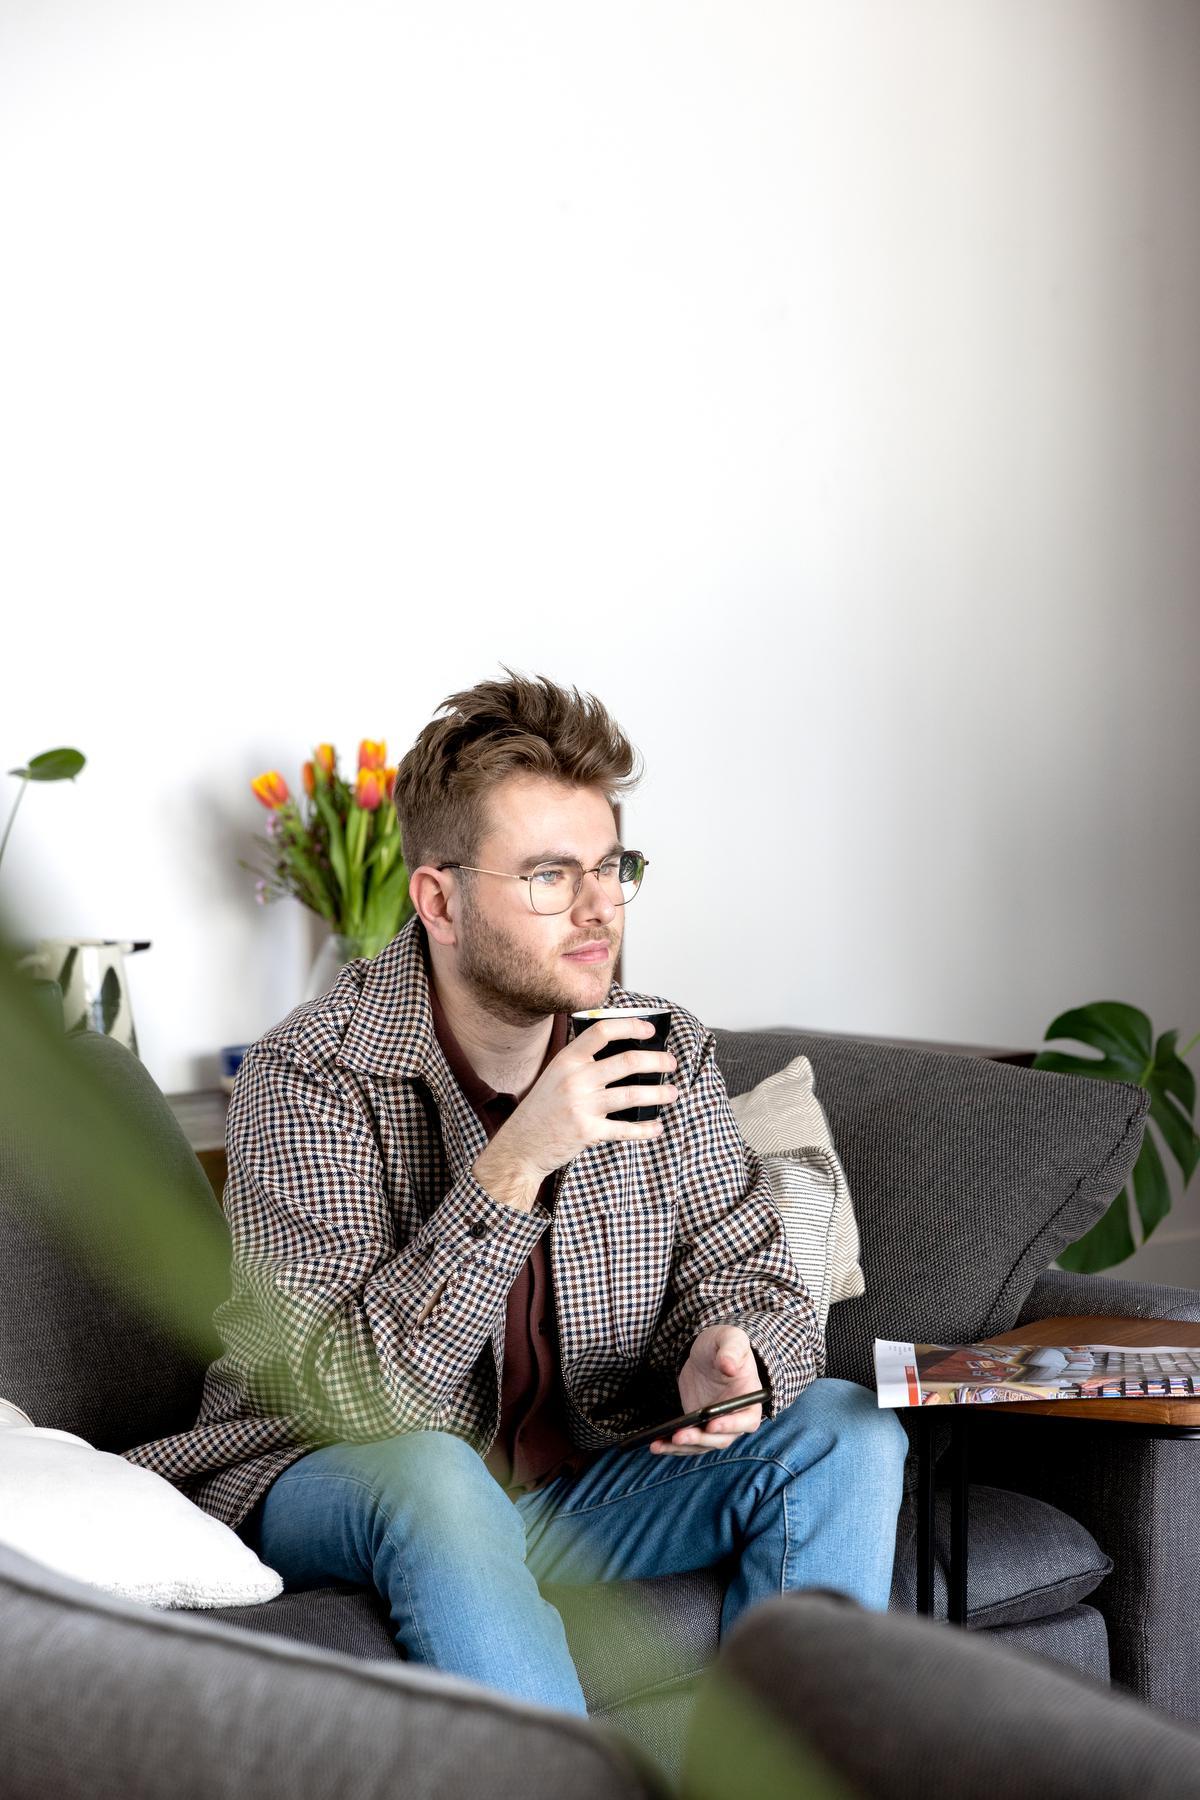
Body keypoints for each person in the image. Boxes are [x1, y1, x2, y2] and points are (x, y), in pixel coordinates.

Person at [127, 670, 907, 1716]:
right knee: (440, 1478)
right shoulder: (309, 1075)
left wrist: (736, 1351)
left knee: (846, 1431)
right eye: (548, 876)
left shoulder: (656, 1044)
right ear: (439, 899)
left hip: (578, 1482)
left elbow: (750, 1265)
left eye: (610, 867)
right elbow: (352, 1404)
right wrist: (513, 1166)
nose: (598, 909)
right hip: (332, 1473)